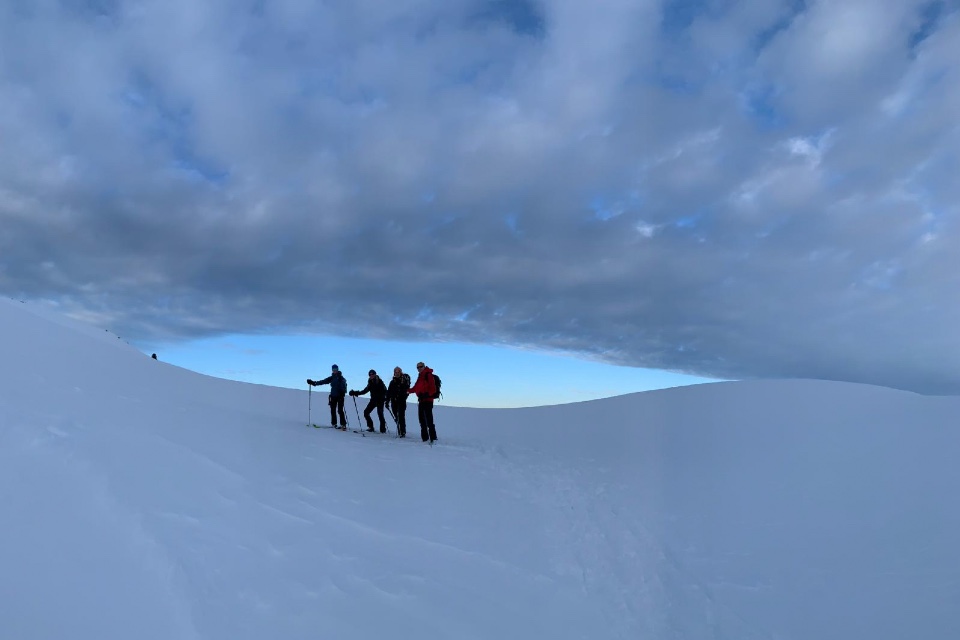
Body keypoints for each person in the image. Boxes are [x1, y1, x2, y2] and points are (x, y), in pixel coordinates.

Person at [307, 364, 348, 429]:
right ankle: (334, 424)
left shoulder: (341, 378)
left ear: (338, 370)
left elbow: (345, 387)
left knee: (340, 410)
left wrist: (342, 392)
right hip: (333, 396)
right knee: (333, 410)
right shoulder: (332, 378)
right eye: (333, 369)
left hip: (340, 396)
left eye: (336, 369)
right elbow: (323, 381)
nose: (334, 371)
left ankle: (343, 424)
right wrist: (314, 383)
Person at [408, 361, 438, 442]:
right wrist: (407, 391)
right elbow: (415, 388)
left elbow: (433, 388)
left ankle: (433, 438)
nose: (419, 368)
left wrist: (426, 395)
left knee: (429, 420)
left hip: (428, 401)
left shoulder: (428, 375)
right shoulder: (420, 376)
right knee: (422, 420)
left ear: (424, 366)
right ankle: (425, 438)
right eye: (417, 367)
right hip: (421, 401)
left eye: (420, 366)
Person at [386, 366, 411, 438]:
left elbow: (407, 391)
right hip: (393, 401)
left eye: (398, 372)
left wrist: (403, 397)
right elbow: (389, 392)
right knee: (396, 416)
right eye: (395, 372)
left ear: (400, 372)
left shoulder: (404, 381)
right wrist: (387, 401)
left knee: (401, 416)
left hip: (401, 401)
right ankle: (400, 430)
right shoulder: (392, 382)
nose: (397, 373)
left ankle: (402, 432)